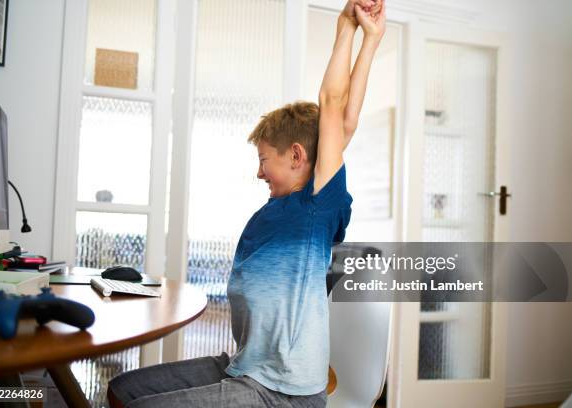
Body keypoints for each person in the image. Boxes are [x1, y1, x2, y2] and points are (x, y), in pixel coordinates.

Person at [107, 1, 386, 406]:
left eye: (263, 161)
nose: (259, 173)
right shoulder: (284, 210)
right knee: (122, 390)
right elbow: (341, 125)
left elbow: (339, 111)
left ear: (295, 156)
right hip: (245, 365)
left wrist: (350, 29)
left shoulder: (316, 210)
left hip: (282, 391)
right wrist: (369, 38)